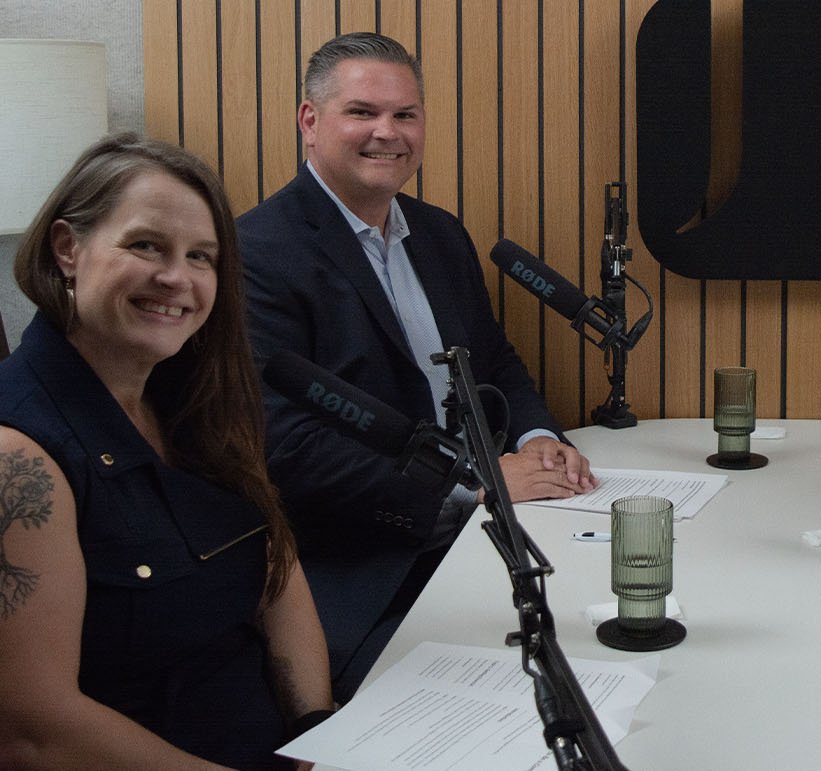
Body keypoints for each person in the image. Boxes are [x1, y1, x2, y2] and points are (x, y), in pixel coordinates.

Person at [237, 32, 597, 701]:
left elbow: (496, 360)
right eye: (362, 112)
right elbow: (285, 447)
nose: (387, 132)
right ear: (309, 121)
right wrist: (474, 483)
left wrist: (536, 438)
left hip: (494, 534)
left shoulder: (438, 233)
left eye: (405, 115)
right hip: (370, 568)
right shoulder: (257, 252)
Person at [0, 134, 333, 769]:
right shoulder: (17, 458)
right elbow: (32, 732)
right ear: (68, 248)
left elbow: (276, 573)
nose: (176, 278)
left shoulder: (192, 399)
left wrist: (319, 732)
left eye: (201, 257)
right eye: (146, 245)